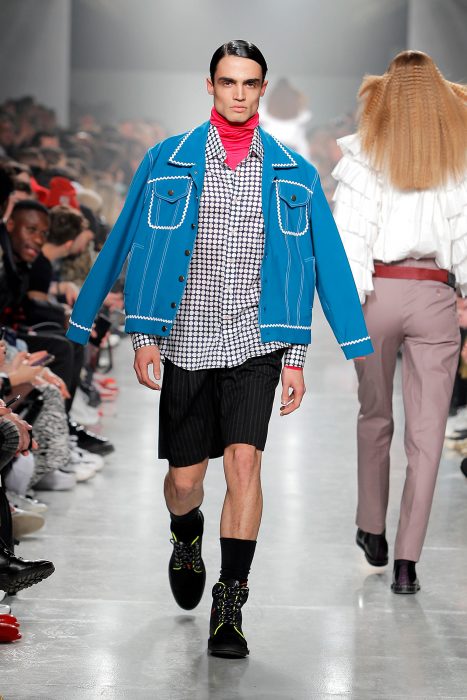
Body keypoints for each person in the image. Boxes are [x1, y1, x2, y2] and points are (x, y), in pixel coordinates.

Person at [67, 40, 373, 657]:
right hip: (184, 339)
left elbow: (318, 265)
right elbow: (132, 242)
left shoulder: (294, 172)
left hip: (257, 342)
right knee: (185, 482)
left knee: (244, 465)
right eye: (228, 82)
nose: (238, 93)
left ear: (263, 88)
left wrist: (298, 356)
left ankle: (229, 607)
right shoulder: (167, 159)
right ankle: (186, 535)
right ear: (209, 85)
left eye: (249, 83)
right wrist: (142, 334)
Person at [332, 50, 467, 594]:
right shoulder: (458, 155)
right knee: (428, 434)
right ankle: (408, 563)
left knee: (374, 416)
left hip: (378, 294)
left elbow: (350, 237)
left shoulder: (365, 154)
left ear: (386, 92)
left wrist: (349, 309)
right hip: (435, 294)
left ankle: (372, 529)